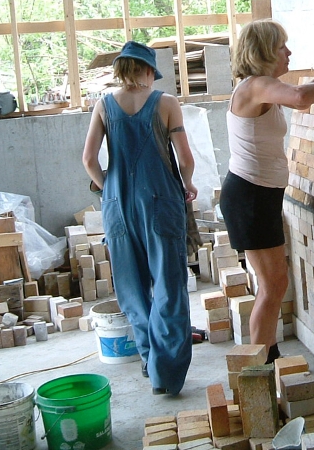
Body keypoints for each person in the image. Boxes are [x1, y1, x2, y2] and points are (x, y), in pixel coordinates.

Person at [219, 19, 314, 364]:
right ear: (263, 52)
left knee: (274, 284)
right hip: (250, 196)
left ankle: (267, 358)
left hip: (259, 195)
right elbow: (301, 97)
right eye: (281, 47)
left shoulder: (262, 87)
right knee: (272, 285)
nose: (288, 53)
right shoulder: (255, 86)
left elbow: (299, 96)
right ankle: (260, 366)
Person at [82, 40, 198, 396]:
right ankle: (166, 375)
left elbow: (88, 160)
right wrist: (188, 184)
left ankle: (149, 360)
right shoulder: (166, 103)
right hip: (160, 201)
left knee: (132, 289)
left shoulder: (104, 105)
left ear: (120, 70)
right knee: (169, 288)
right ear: (148, 70)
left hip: (117, 206)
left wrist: (109, 190)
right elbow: (185, 159)